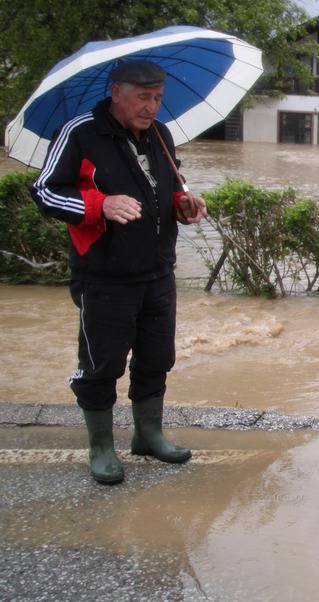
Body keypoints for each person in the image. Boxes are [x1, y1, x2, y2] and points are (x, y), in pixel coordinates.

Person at [32, 59, 206, 484]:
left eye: (158, 98)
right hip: (104, 276)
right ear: (116, 93)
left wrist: (183, 204)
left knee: (157, 358)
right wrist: (99, 205)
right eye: (144, 98)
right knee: (101, 363)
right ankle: (102, 447)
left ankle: (148, 434)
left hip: (158, 272)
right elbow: (44, 191)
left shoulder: (160, 136)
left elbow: (168, 184)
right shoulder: (79, 133)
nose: (153, 107)